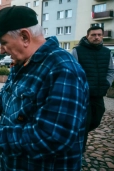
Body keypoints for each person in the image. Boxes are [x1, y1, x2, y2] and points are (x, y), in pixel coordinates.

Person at [0, 6, 89, 170]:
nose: (2, 50)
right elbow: (3, 99)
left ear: (25, 37)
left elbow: (53, 138)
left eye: (4, 43)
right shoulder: (24, 62)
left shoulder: (63, 70)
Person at [71, 26, 114, 166]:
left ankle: (73, 135)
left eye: (99, 35)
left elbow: (110, 70)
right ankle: (79, 153)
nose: (97, 37)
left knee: (95, 120)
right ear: (87, 36)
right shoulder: (77, 51)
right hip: (82, 96)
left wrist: (106, 84)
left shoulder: (107, 52)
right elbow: (72, 71)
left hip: (98, 94)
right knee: (84, 123)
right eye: (93, 35)